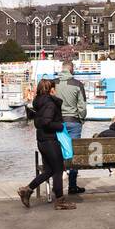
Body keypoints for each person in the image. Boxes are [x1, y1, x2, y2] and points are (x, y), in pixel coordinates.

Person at [18, 79, 77, 210]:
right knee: (58, 170)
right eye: (54, 88)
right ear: (51, 89)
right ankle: (60, 201)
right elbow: (46, 122)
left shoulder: (39, 102)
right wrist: (60, 126)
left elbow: (38, 122)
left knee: (49, 170)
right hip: (50, 140)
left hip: (42, 141)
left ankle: (27, 190)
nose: (56, 90)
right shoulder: (50, 103)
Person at [56, 61, 90, 195]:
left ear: (62, 69)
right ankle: (72, 185)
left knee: (58, 153)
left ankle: (57, 186)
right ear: (72, 69)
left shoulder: (53, 83)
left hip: (58, 122)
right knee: (73, 153)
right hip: (74, 121)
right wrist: (81, 119)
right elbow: (82, 106)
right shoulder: (77, 84)